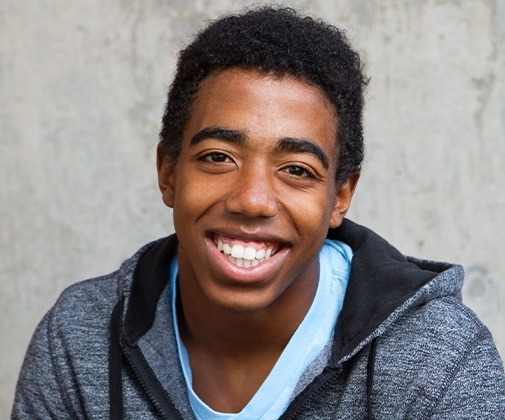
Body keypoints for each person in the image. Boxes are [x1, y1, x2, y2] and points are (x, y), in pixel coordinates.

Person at [12, 7, 505, 419]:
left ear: (340, 196)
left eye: (296, 169)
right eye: (218, 158)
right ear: (168, 172)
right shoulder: (79, 341)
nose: (252, 200)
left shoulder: (436, 361)